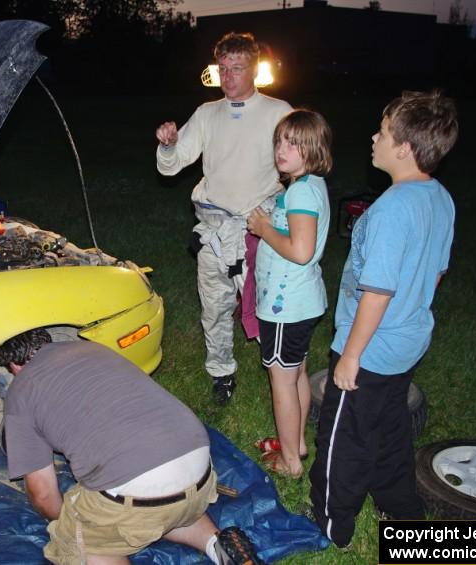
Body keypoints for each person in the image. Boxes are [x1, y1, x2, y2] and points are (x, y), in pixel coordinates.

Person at [309, 90, 458, 548]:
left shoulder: (392, 208)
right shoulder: (440, 198)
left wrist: (350, 355)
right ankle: (403, 512)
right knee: (390, 431)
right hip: (409, 341)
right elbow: (434, 274)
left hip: (370, 349)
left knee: (342, 441)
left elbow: (377, 290)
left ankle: (331, 525)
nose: (374, 136)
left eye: (384, 129)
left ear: (404, 147)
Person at [0, 329, 265, 565]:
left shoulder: (22, 390)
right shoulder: (92, 347)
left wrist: (73, 525)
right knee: (165, 506)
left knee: (85, 539)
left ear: (13, 366)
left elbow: (42, 494)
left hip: (138, 490)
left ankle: (99, 538)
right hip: (197, 467)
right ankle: (219, 548)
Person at [156, 32, 292, 405]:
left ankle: (282, 375)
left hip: (256, 229)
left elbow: (300, 163)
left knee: (268, 305)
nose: (229, 77)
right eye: (223, 69)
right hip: (213, 229)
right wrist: (167, 145)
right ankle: (222, 373)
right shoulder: (206, 113)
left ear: (255, 70)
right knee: (214, 307)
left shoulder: (279, 112)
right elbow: (170, 167)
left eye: (238, 68)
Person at [245, 109, 332, 479]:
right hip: (302, 303)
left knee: (282, 381)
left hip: (286, 307)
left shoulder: (300, 193)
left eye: (293, 143)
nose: (282, 148)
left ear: (313, 149)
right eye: (280, 140)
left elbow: (300, 250)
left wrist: (264, 228)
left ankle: (291, 463)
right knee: (297, 374)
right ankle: (296, 444)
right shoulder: (307, 187)